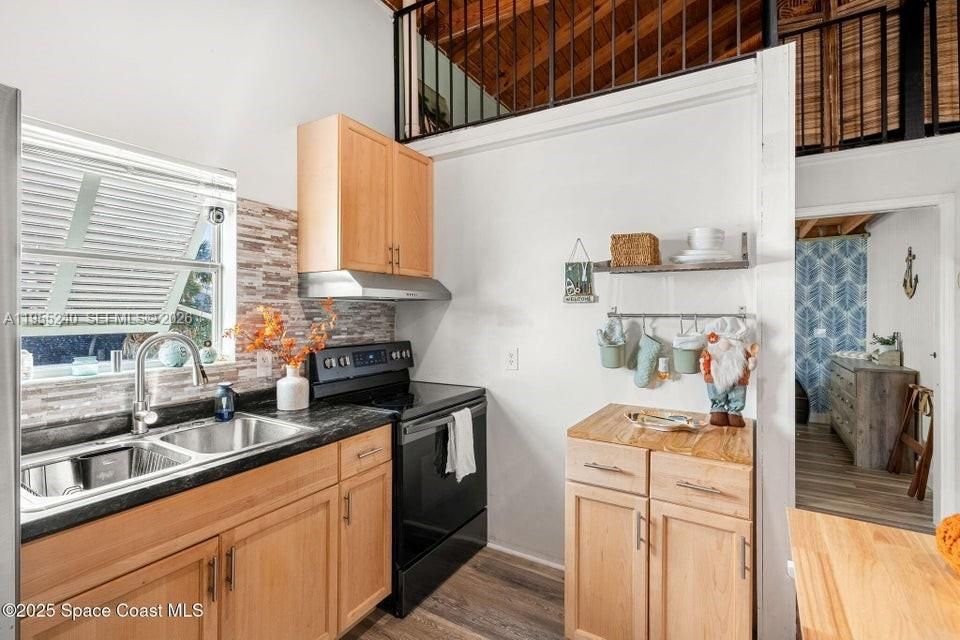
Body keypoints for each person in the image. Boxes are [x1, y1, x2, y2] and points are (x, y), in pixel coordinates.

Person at [699, 317, 759, 427]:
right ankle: (718, 411)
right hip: (714, 378)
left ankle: (734, 413)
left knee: (737, 395)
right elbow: (704, 361)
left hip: (738, 380)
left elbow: (750, 363)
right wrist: (703, 366)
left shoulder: (743, 353)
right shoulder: (709, 352)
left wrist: (752, 363)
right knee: (717, 392)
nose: (724, 344)